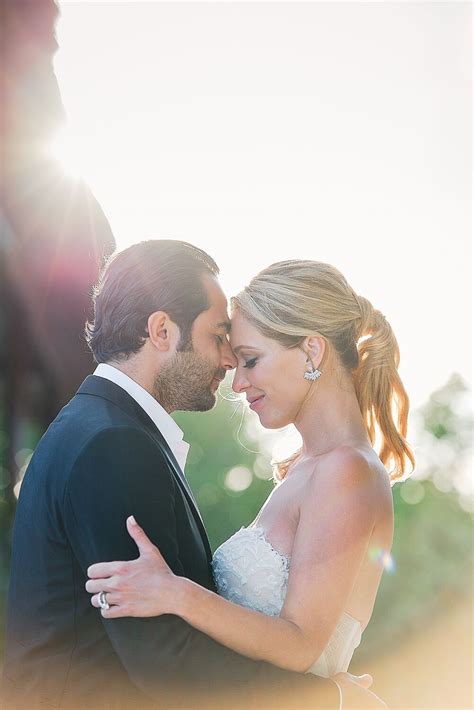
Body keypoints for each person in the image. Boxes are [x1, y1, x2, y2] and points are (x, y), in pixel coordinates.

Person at [2, 241, 380, 710]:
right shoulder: (112, 443)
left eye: (248, 356)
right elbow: (165, 658)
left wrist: (179, 594)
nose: (230, 369)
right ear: (161, 330)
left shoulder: (98, 428)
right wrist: (332, 698)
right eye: (219, 337)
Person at [86, 259, 414, 696]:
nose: (237, 383)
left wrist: (176, 593)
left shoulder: (347, 471)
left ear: (312, 352)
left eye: (251, 361)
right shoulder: (305, 468)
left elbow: (300, 645)